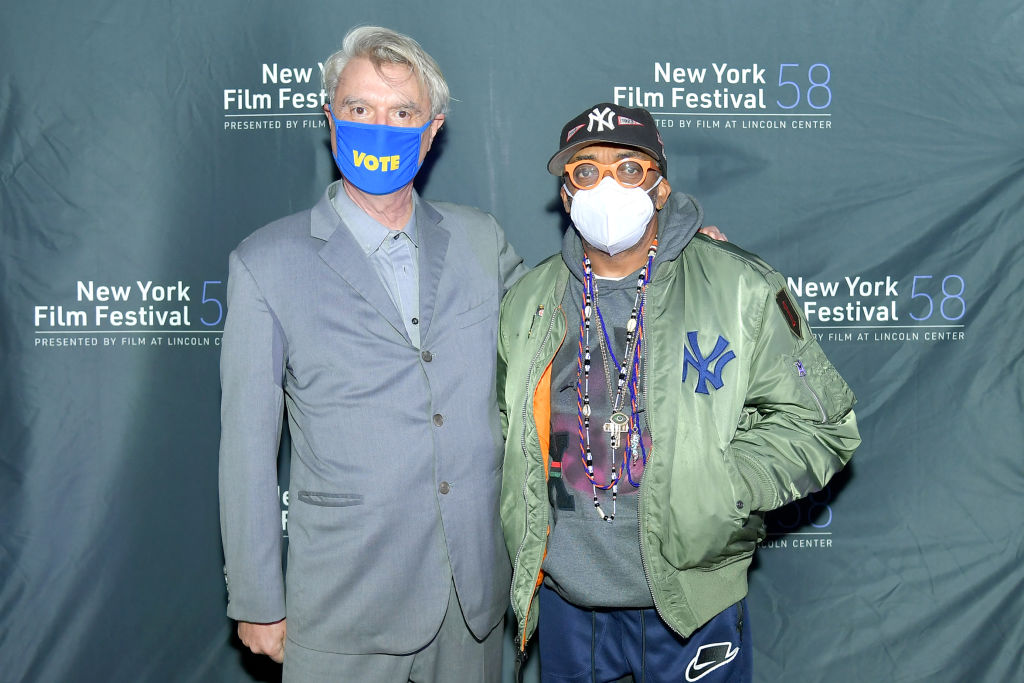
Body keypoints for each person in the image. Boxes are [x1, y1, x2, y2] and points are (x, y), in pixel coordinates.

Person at [497, 103, 861, 683]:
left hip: (692, 603)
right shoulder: (529, 301)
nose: (606, 185)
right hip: (568, 604)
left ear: (660, 187)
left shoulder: (739, 286)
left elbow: (821, 425)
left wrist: (725, 485)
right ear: (566, 195)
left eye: (629, 168)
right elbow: (504, 431)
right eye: (585, 171)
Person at [218, 26, 529, 682]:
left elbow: (563, 318)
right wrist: (255, 597)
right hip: (342, 604)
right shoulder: (265, 262)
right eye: (359, 108)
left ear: (432, 129)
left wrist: (669, 254)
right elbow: (248, 447)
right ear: (330, 117)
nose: (377, 127)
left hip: (468, 602)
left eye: (402, 112)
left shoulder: (481, 240)